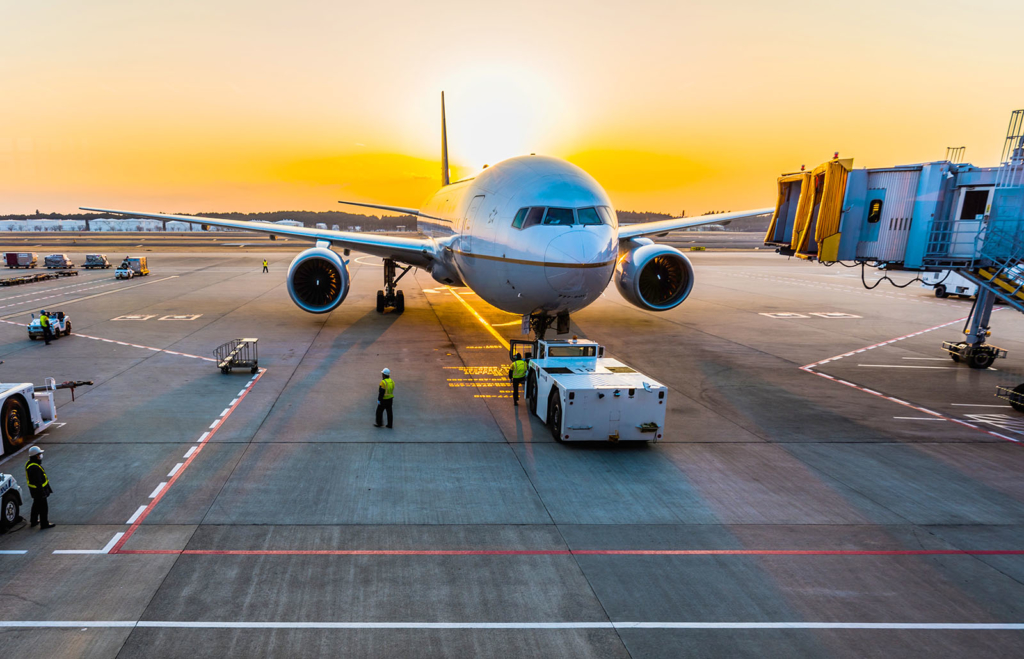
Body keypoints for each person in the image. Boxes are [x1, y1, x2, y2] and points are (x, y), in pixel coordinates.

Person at [25, 446, 54, 529]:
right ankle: (44, 524)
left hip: (34, 491)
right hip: (39, 491)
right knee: (43, 508)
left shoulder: (29, 463)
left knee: (36, 505)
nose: (40, 456)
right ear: (35, 456)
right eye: (39, 454)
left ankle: (33, 521)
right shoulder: (35, 468)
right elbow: (38, 482)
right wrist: (42, 493)